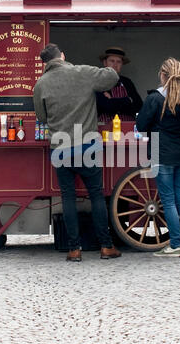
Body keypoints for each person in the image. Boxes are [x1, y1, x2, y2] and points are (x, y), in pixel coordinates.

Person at [33, 43, 122, 262]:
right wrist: (109, 67)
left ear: (45, 63)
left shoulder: (40, 85)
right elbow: (111, 77)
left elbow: (42, 118)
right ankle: (106, 246)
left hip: (59, 148)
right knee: (96, 196)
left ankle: (74, 250)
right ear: (62, 56)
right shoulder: (83, 72)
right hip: (86, 145)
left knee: (68, 198)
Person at [136, 57, 180, 257]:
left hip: (160, 151)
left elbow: (141, 125)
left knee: (167, 201)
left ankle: (175, 245)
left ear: (162, 75)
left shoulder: (155, 98)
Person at [97, 47, 143, 121]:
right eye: (112, 61)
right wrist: (128, 100)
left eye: (118, 62)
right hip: (106, 128)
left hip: (128, 128)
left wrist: (112, 101)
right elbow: (104, 106)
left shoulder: (127, 82)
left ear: (122, 64)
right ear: (105, 63)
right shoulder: (98, 82)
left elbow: (139, 106)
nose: (115, 64)